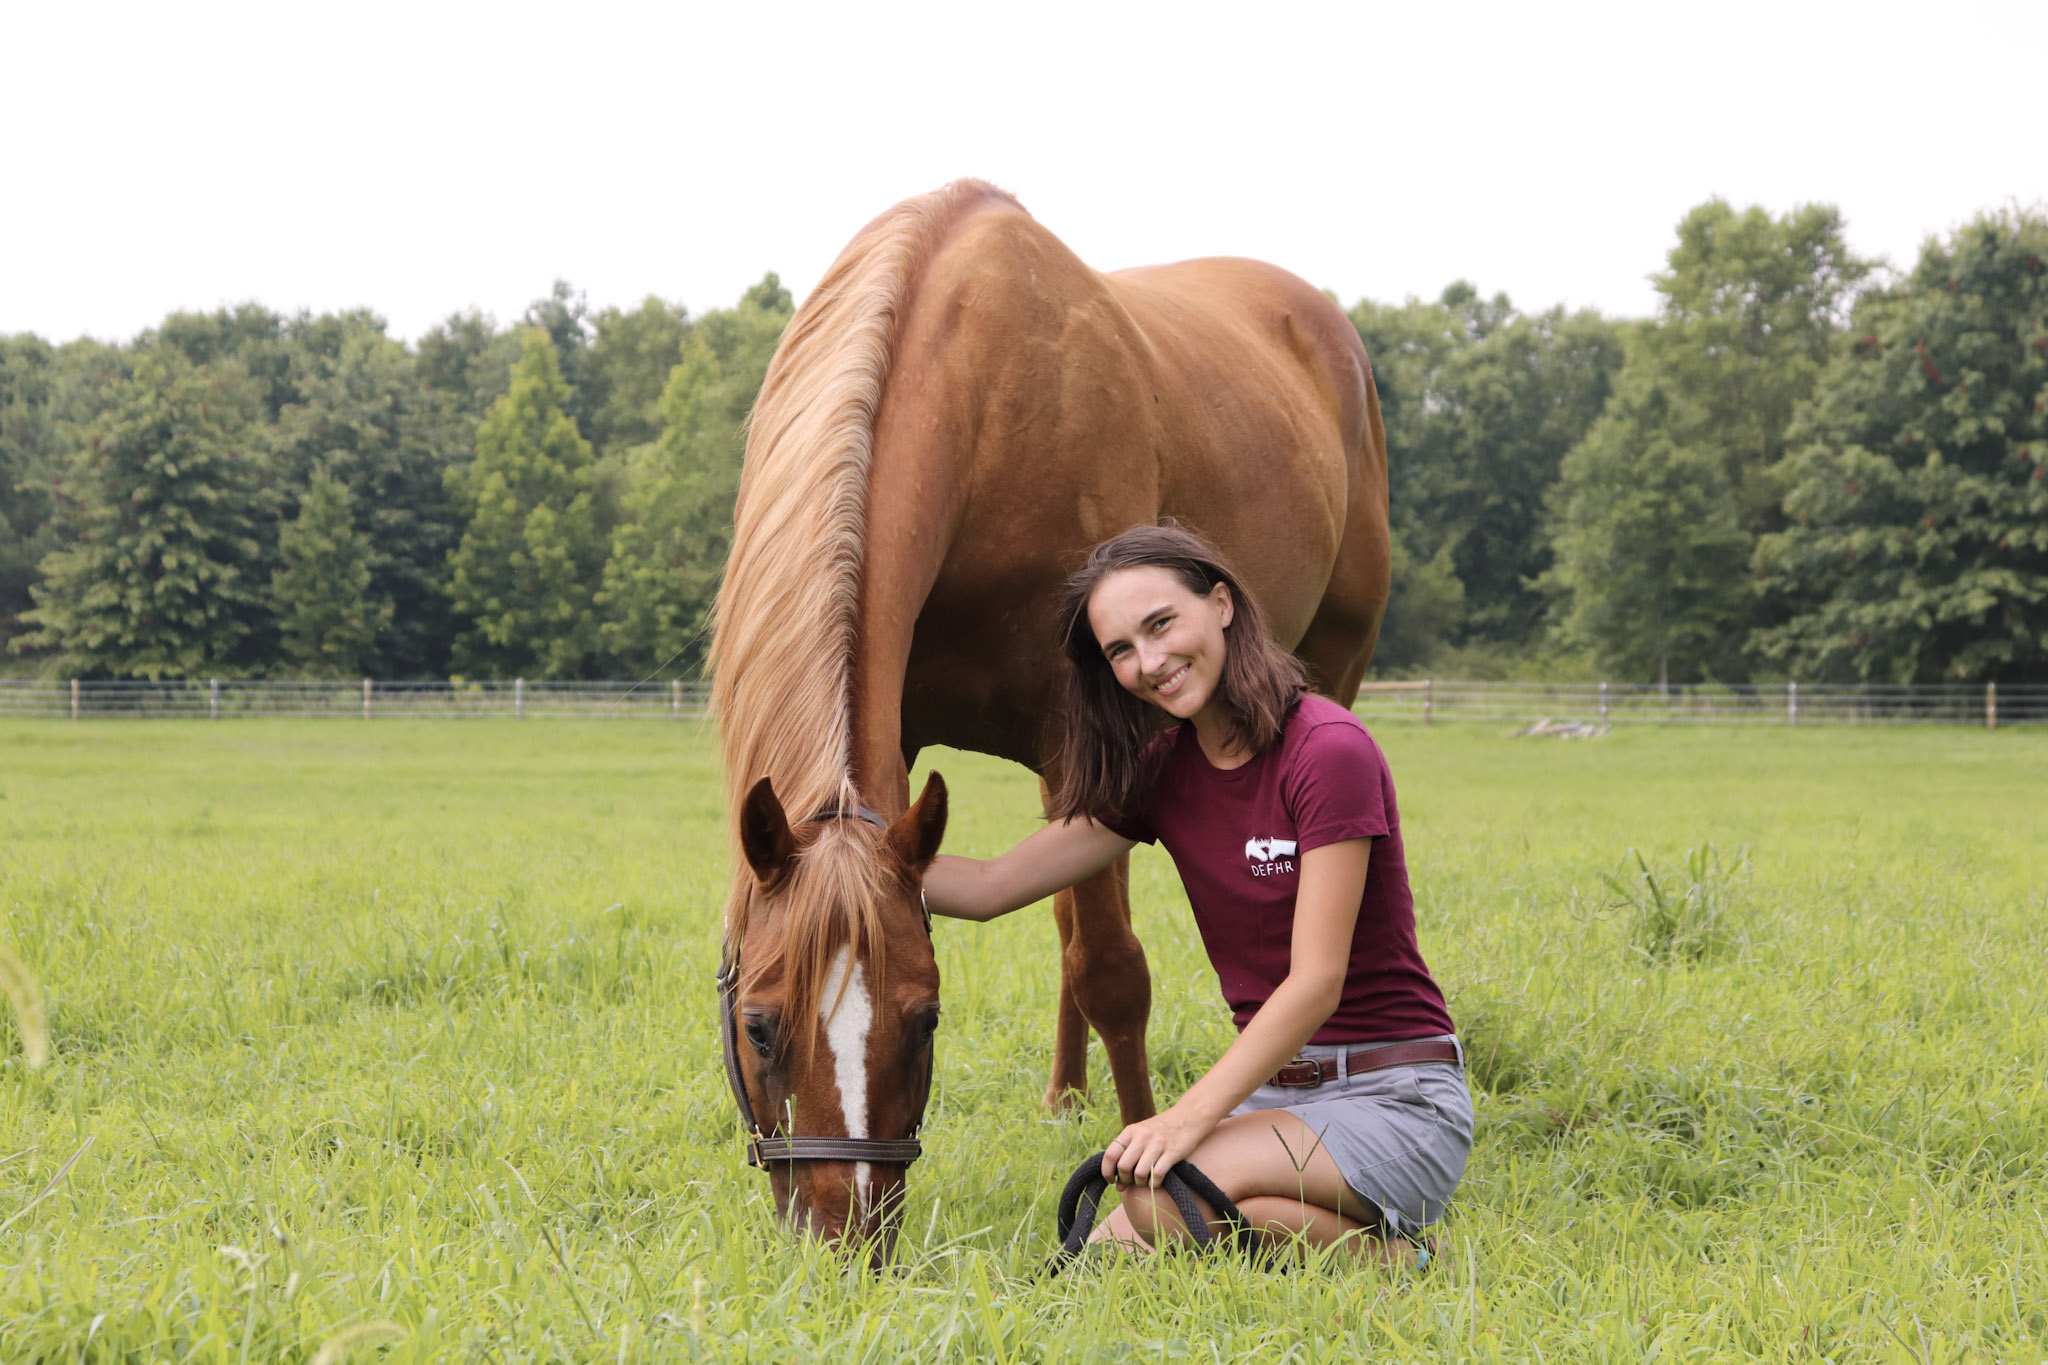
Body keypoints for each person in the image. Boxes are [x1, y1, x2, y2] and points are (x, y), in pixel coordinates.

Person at [921, 523, 1471, 1262]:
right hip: (1278, 1100)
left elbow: (1316, 982)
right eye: (1120, 650)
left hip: (1393, 1095)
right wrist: (839, 863)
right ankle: (1363, 1244)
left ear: (1221, 604)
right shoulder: (1164, 771)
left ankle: (1404, 1257)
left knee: (1156, 1199)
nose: (1150, 663)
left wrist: (1183, 1118)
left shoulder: (1327, 749)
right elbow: (991, 885)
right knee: (1113, 1247)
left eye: (1160, 624)